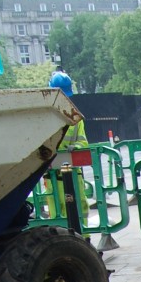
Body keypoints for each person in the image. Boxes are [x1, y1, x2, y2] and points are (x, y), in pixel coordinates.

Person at [48, 71, 90, 225]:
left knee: (78, 207)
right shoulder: (47, 118)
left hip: (70, 172)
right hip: (53, 174)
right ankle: (64, 238)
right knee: (58, 211)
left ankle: (83, 237)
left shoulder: (75, 119)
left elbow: (83, 142)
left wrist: (76, 147)